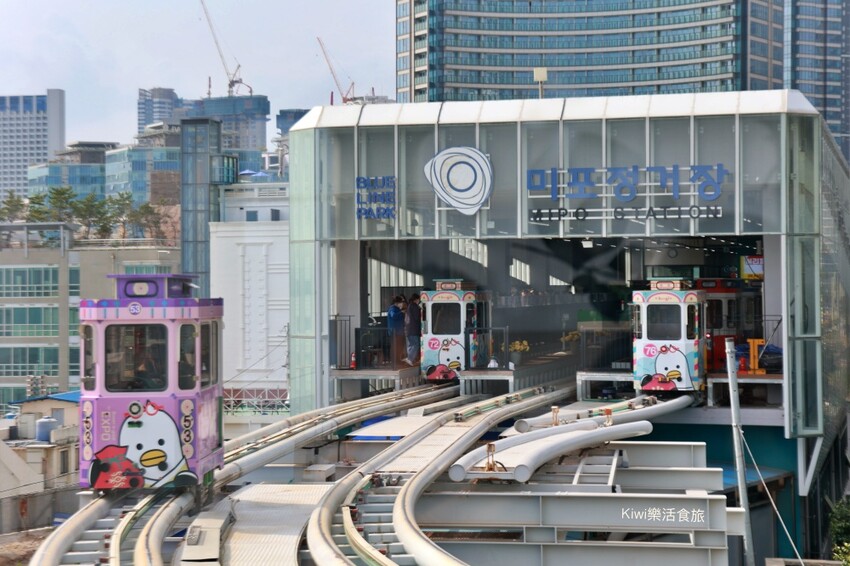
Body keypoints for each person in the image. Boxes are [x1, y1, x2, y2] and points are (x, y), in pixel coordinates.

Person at [387, 295, 406, 367]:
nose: (402, 304)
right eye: (401, 302)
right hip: (394, 332)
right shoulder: (392, 309)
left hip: (399, 332)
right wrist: (401, 312)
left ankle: (398, 360)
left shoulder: (397, 309)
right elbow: (393, 316)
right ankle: (394, 362)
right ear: (396, 303)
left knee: (399, 347)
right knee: (395, 347)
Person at [404, 293, 422, 365]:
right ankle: (410, 359)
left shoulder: (409, 306)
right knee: (416, 344)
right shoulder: (414, 306)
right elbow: (417, 317)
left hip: (408, 329)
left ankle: (409, 359)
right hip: (413, 329)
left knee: (410, 345)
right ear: (417, 299)